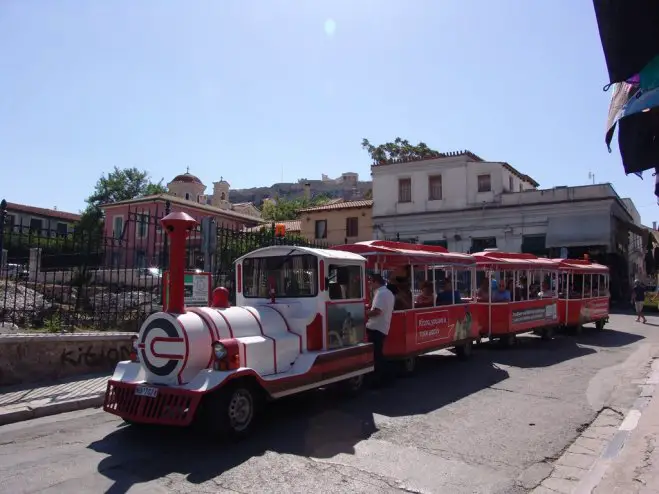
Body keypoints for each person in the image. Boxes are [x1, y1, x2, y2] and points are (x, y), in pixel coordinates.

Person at [366, 273, 396, 387]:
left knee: (377, 356)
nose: (369, 284)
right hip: (382, 327)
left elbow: (377, 311)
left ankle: (383, 379)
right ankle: (385, 377)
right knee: (378, 354)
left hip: (376, 327)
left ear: (375, 282)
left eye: (370, 282)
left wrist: (365, 313)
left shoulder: (381, 294)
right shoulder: (387, 293)